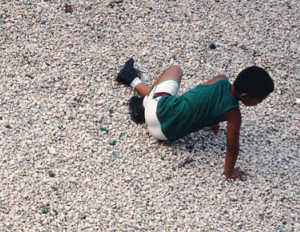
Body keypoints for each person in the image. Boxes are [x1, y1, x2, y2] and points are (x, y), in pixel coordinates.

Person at [115, 58, 274, 180]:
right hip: (165, 135)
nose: (259, 103)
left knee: (175, 69)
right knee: (167, 90)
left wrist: (215, 120)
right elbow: (232, 147)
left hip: (156, 110)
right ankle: (134, 87)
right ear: (245, 96)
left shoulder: (221, 78)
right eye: (260, 100)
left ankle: (139, 95)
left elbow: (200, 96)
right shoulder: (233, 114)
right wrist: (229, 172)